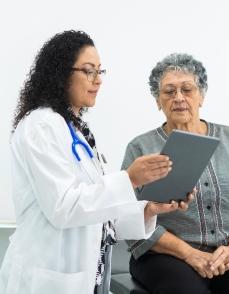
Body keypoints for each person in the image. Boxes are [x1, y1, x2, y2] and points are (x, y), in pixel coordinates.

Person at [0, 32, 195, 294]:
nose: (98, 80)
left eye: (100, 71)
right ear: (60, 73)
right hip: (48, 277)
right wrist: (130, 179)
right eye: (89, 71)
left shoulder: (77, 131)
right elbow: (64, 208)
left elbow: (99, 215)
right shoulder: (40, 126)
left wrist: (148, 210)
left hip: (84, 276)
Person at [122, 53, 229, 294]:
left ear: (201, 96)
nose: (178, 97)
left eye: (187, 89)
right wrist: (189, 253)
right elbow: (127, 214)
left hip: (228, 252)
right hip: (165, 256)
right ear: (157, 101)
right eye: (169, 91)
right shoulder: (140, 148)